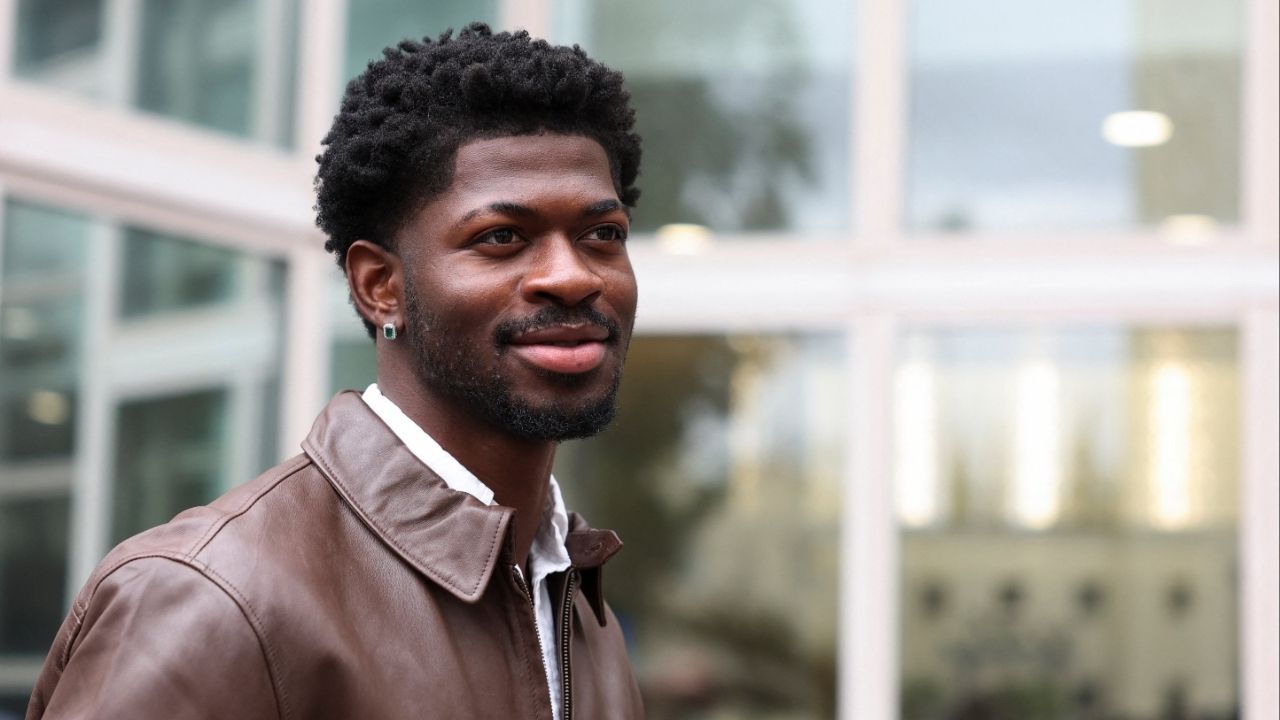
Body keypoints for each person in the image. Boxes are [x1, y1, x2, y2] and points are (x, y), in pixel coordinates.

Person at [27, 23, 645, 720]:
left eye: (603, 235)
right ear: (380, 286)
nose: (570, 275)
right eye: (501, 238)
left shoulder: (575, 602)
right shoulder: (214, 597)